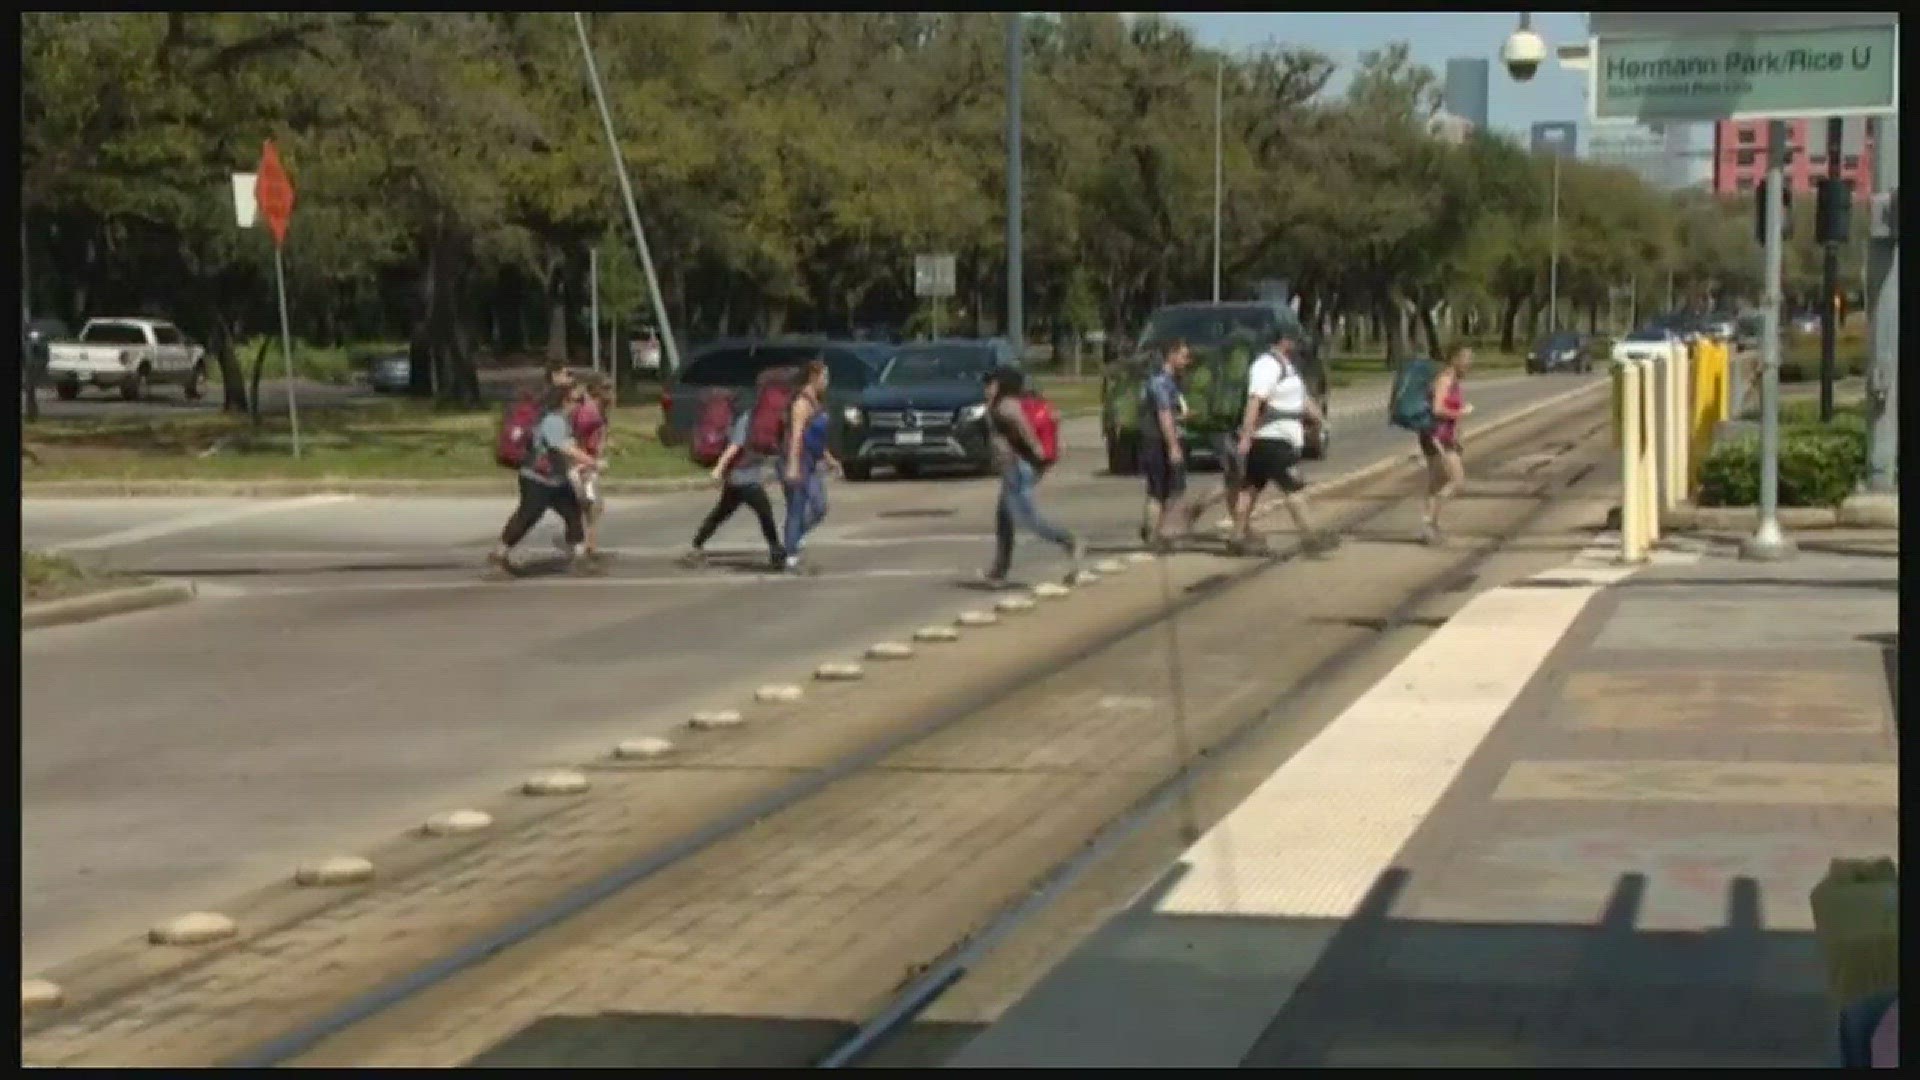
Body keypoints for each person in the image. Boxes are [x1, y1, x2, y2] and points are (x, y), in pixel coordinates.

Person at [1230, 331, 1336, 557]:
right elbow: (1254, 401)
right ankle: (1311, 537)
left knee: (1250, 489)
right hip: (1271, 439)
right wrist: (1247, 436)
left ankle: (1237, 537)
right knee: (1293, 488)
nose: (1298, 344)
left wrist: (1321, 421)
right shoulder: (1266, 365)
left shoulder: (1287, 366)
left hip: (1279, 438)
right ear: (1282, 341)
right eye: (1294, 339)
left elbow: (1303, 400)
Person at [982, 365, 1085, 585]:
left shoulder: (1006, 405)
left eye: (991, 384)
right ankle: (1000, 568)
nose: (986, 388)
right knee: (1004, 517)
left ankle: (1069, 541)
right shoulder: (1001, 404)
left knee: (1027, 518)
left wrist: (1036, 446)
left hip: (1016, 467)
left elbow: (1022, 425)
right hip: (1012, 467)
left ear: (1002, 385)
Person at [489, 382, 599, 574]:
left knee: (573, 514)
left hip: (556, 479)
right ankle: (498, 557)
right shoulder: (553, 420)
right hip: (537, 480)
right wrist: (590, 461)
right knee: (526, 517)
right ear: (564, 401)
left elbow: (567, 448)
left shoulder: (563, 420)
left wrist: (581, 464)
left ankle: (580, 558)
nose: (580, 405)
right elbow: (562, 446)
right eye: (577, 400)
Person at [679, 376, 786, 571]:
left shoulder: (765, 420)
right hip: (742, 477)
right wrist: (719, 468)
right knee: (765, 513)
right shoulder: (748, 419)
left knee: (722, 512)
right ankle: (776, 552)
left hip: (740, 478)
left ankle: (696, 544)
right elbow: (735, 446)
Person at [781, 359, 842, 574]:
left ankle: (792, 538)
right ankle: (790, 557)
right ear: (813, 378)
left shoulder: (817, 402)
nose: (826, 382)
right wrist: (793, 465)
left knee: (819, 506)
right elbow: (797, 436)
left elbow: (814, 435)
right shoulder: (801, 403)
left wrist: (829, 458)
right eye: (824, 377)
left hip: (813, 461)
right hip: (798, 459)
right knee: (796, 507)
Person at [1137, 338, 1193, 552]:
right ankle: (1154, 535)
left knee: (1164, 491)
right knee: (1161, 491)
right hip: (1158, 442)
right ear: (1171, 354)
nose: (1186, 361)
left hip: (1159, 438)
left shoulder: (1168, 381)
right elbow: (1163, 415)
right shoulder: (1161, 382)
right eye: (1183, 356)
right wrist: (1173, 446)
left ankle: (1155, 532)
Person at [1420, 343, 1473, 546]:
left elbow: (1449, 411)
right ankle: (1429, 524)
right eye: (1466, 359)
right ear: (1455, 359)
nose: (1469, 364)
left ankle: (1431, 525)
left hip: (1445, 437)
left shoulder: (1454, 381)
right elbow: (1437, 409)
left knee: (1439, 481)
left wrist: (1458, 433)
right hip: (1434, 436)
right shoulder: (1445, 379)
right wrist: (1462, 412)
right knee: (1456, 481)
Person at [563, 373, 612, 559]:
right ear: (598, 391)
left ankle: (587, 543)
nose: (612, 394)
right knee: (589, 504)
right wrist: (585, 462)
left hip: (588, 462)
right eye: (608, 389)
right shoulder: (589, 412)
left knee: (591, 504)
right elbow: (578, 438)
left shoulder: (597, 409)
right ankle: (584, 545)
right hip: (582, 463)